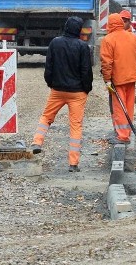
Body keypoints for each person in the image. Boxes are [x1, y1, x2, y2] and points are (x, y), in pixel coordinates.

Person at [30, 16, 93, 172]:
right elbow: (86, 71)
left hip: (57, 91)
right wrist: (86, 88)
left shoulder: (55, 43)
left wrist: (51, 83)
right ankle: (73, 164)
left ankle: (37, 142)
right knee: (75, 126)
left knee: (46, 117)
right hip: (77, 92)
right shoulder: (82, 46)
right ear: (79, 30)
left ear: (65, 27)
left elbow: (48, 68)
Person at [100, 12, 136, 145]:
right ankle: (126, 133)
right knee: (128, 106)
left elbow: (106, 62)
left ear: (110, 24)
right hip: (131, 79)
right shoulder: (133, 38)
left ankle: (122, 136)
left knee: (119, 108)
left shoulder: (108, 40)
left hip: (118, 80)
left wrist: (107, 80)